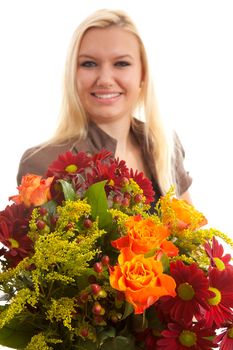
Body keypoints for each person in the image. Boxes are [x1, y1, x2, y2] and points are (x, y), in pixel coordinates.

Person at [16, 8, 192, 205]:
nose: (105, 80)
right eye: (89, 64)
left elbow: (192, 232)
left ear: (143, 75)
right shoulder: (42, 163)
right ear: (73, 75)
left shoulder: (164, 145)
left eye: (122, 63)